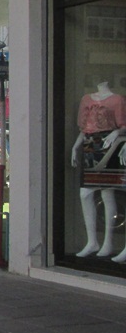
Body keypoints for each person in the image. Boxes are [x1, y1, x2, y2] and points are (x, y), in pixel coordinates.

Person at [70, 81, 126, 257]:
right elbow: (84, 127)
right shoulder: (86, 99)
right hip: (90, 144)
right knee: (85, 193)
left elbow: (122, 125)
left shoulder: (117, 99)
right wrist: (75, 147)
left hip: (109, 143)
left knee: (107, 193)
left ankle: (107, 243)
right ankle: (92, 241)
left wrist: (116, 132)